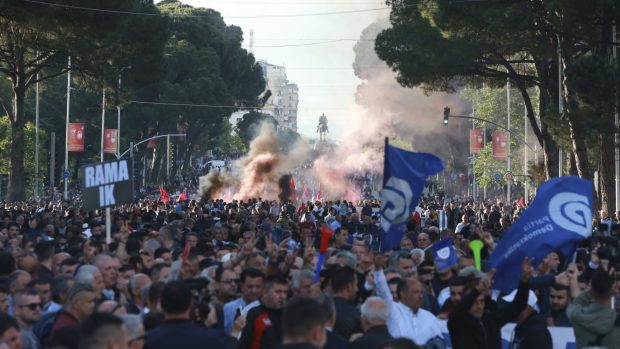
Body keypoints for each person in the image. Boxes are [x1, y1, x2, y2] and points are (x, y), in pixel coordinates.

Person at [448, 258, 532, 349]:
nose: (479, 306)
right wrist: (477, 290)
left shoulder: (492, 319)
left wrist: (524, 281)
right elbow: (457, 311)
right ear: (467, 302)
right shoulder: (458, 322)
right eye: (474, 302)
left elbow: (518, 305)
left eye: (481, 301)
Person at [373, 256, 444, 347]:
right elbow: (383, 292)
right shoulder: (393, 310)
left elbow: (440, 341)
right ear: (403, 294)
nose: (420, 296)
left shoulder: (429, 317)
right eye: (415, 292)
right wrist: (378, 270)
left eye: (421, 292)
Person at [144, 281, 232, 349]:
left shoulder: (148, 340)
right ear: (191, 304)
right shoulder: (210, 338)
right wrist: (214, 325)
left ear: (162, 305)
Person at [567, 268, 620, 348]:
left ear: (591, 291)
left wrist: (588, 291)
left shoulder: (576, 315)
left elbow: (577, 301)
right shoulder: (617, 321)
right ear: (613, 292)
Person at [238, 274, 289, 349]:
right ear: (265, 293)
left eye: (285, 292)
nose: (283, 296)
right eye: (278, 292)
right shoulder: (254, 314)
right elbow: (244, 344)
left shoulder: (289, 314)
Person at [223, 268, 264, 335]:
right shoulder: (228, 307)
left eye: (258, 286)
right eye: (250, 286)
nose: (254, 290)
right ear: (242, 286)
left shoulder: (267, 308)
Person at [330, 266, 361, 339]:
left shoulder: (319, 309)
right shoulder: (356, 315)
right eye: (356, 285)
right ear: (349, 286)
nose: (357, 289)